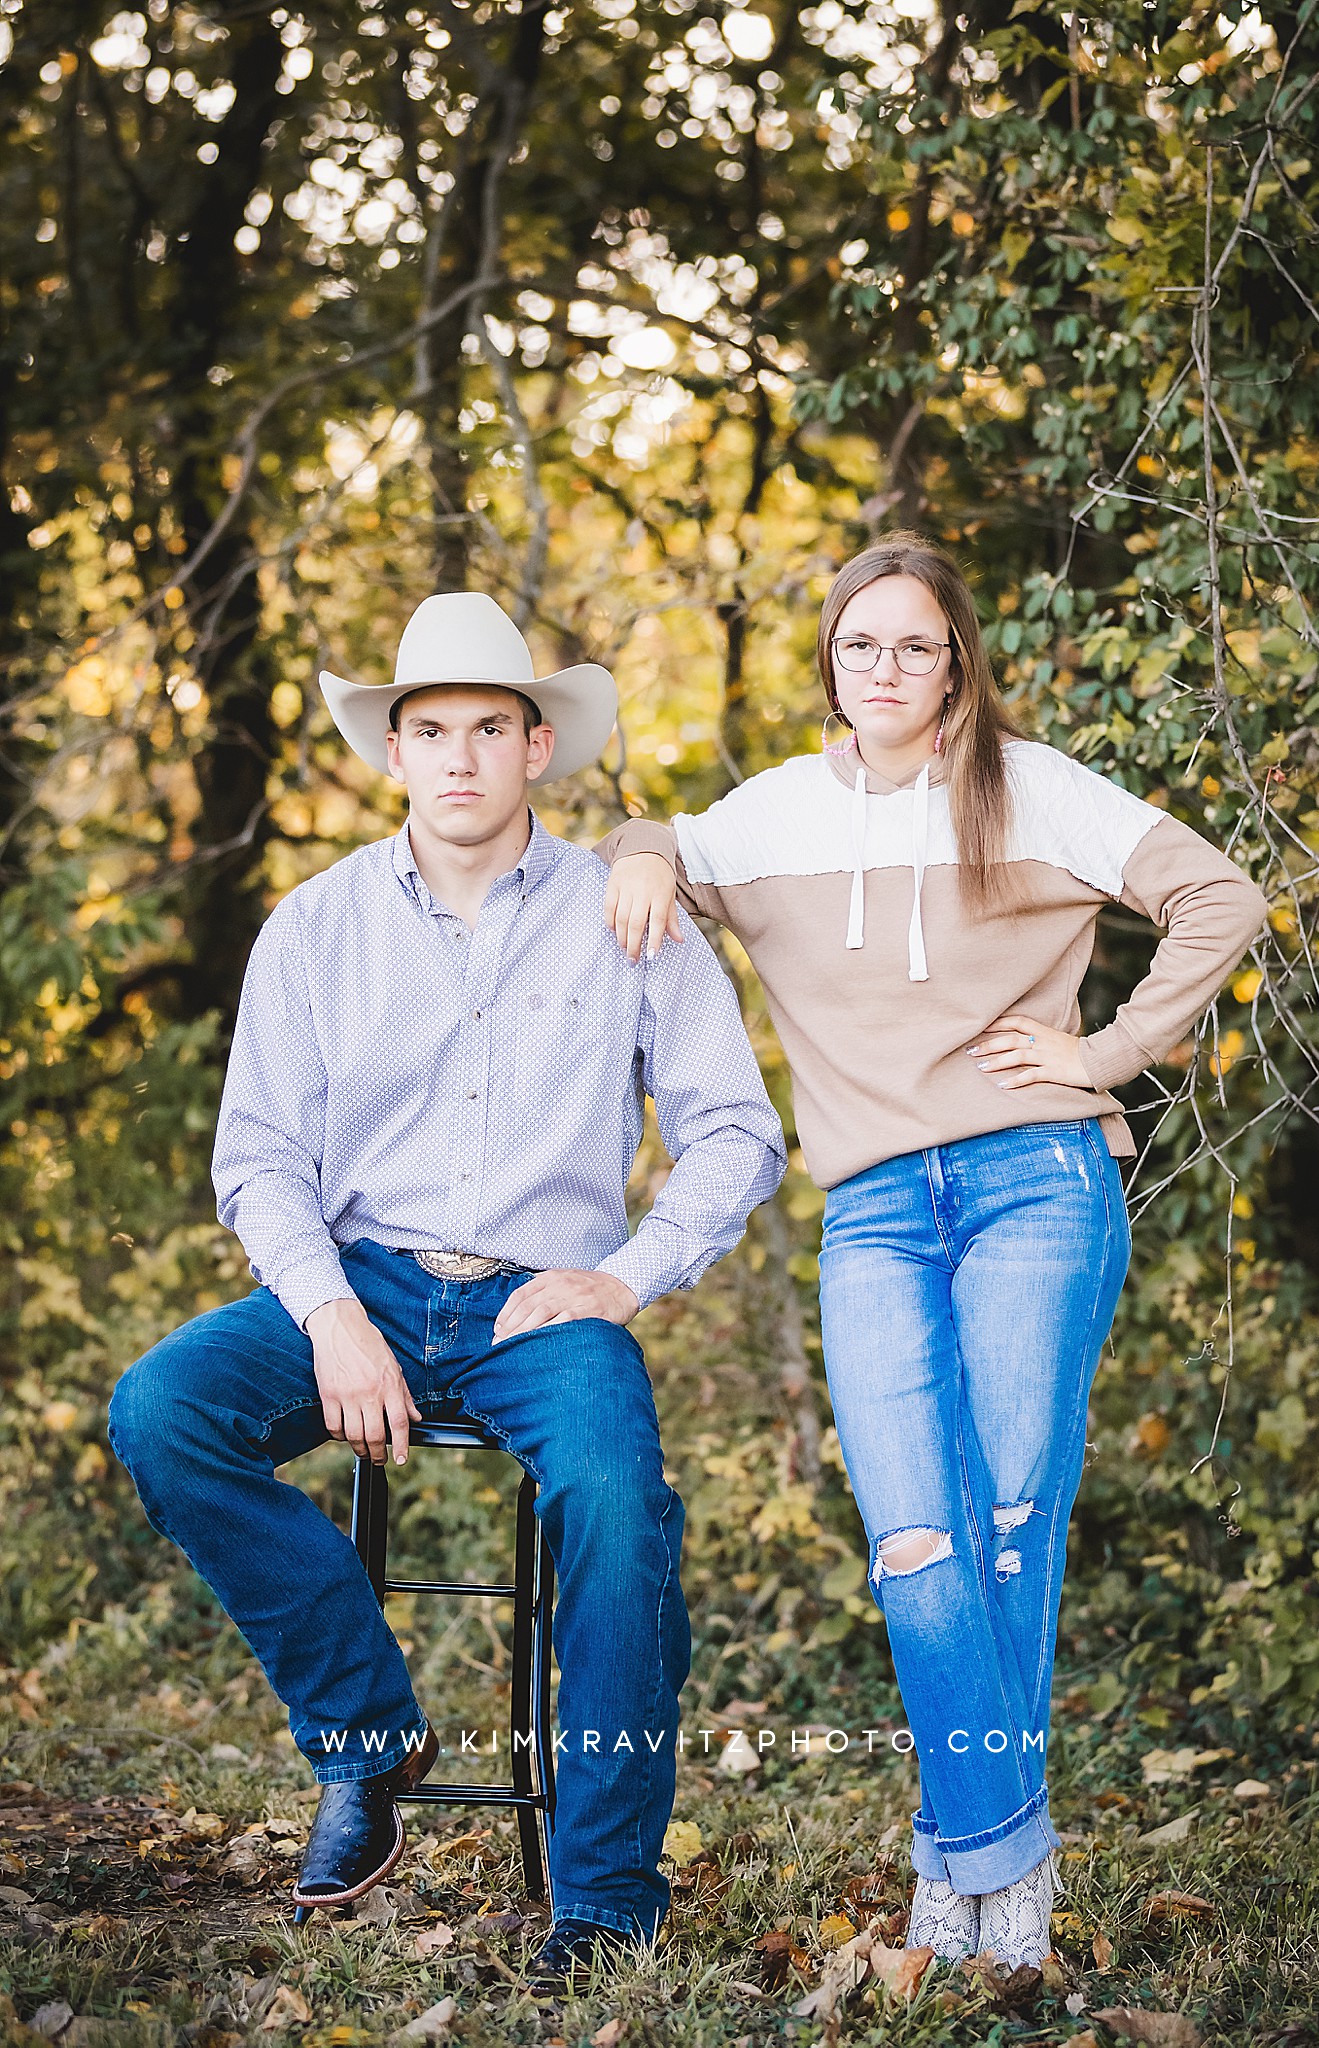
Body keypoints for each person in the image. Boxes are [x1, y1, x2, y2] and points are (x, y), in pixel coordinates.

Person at [598, 531, 1267, 1971]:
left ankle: (974, 1884)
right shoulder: (775, 816)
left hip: (1038, 1180)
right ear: (829, 664)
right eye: (859, 644)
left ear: (956, 662)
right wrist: (644, 851)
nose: (885, 667)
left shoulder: (1032, 790)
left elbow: (1221, 897)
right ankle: (994, 1844)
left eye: (915, 643)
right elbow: (654, 845)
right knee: (914, 1540)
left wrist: (1111, 1047)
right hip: (876, 1216)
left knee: (1010, 1527)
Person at [108, 592, 785, 1984]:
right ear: (395, 751)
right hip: (359, 1280)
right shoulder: (315, 925)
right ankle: (369, 1740)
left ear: (537, 746)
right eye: (432, 730)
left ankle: (602, 1897)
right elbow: (259, 1162)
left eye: (491, 726)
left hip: (546, 1301)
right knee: (163, 1408)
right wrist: (332, 1315)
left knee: (615, 1501)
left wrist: (629, 1275)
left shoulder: (625, 909)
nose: (462, 755)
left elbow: (735, 1132)